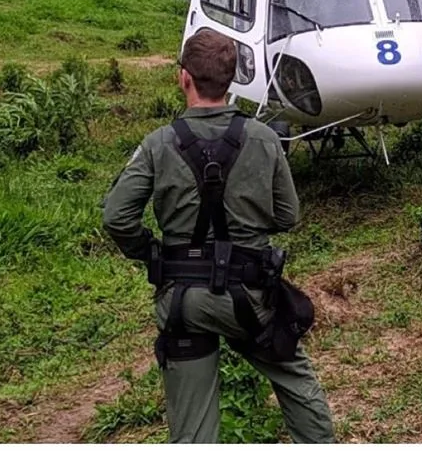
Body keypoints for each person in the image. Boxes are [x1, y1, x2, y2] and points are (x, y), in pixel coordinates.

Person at [102, 27, 335, 443]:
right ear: (232, 81)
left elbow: (117, 217)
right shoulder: (263, 138)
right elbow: (288, 215)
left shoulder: (158, 144)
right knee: (295, 380)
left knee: (191, 431)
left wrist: (151, 251)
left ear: (184, 77)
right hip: (249, 298)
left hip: (182, 302)